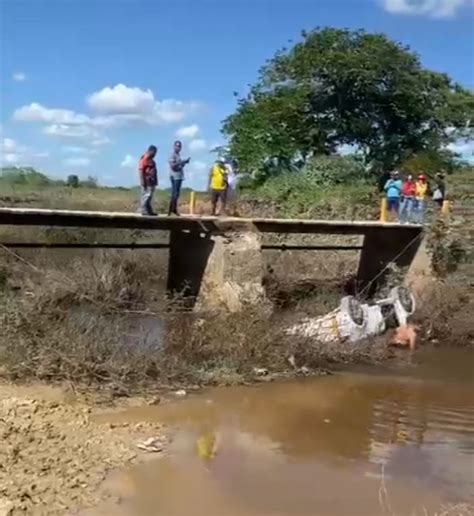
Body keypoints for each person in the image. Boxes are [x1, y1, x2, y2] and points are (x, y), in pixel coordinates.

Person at [168, 140, 190, 216]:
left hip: (179, 176)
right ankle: (171, 211)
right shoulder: (172, 155)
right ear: (174, 146)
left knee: (177, 194)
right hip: (175, 176)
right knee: (174, 194)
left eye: (180, 146)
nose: (178, 147)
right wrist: (181, 162)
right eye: (177, 146)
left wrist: (184, 163)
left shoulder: (178, 155)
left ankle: (174, 210)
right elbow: (173, 166)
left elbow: (179, 166)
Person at [138, 145, 158, 216]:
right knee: (146, 196)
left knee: (149, 197)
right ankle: (143, 210)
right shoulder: (145, 158)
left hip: (151, 181)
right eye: (154, 152)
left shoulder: (151, 160)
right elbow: (141, 170)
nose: (155, 154)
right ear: (151, 151)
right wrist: (142, 181)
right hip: (146, 181)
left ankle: (149, 211)